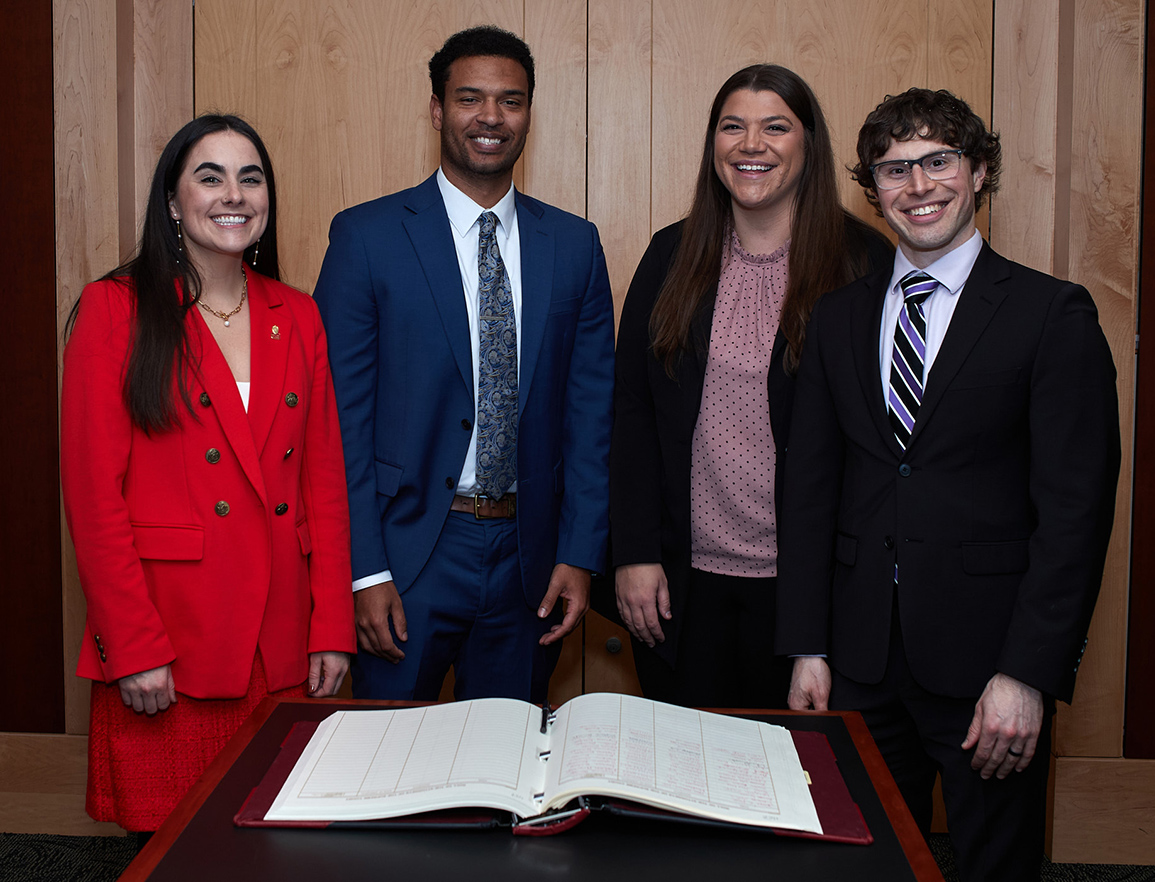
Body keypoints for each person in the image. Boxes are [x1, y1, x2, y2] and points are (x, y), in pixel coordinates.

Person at [777, 88, 1120, 881]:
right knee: (853, 864)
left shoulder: (1050, 315)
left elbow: (1075, 514)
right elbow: (809, 492)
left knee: (994, 866)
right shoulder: (836, 318)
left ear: (979, 171)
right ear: (872, 189)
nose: (918, 186)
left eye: (938, 161)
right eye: (895, 170)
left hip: (987, 666)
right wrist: (807, 644)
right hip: (856, 663)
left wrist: (1029, 673)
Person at [61, 114, 355, 833]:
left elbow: (325, 485)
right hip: (171, 645)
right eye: (210, 175)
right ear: (172, 200)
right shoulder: (116, 310)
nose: (234, 194)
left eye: (250, 178)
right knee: (176, 850)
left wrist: (333, 629)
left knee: (281, 845)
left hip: (283, 643)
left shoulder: (300, 315)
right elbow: (95, 500)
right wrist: (131, 647)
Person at [313, 26, 613, 703]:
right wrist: (363, 572)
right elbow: (340, 424)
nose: (490, 117)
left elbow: (591, 416)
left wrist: (578, 552)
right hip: (408, 552)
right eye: (470, 98)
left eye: (510, 101)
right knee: (385, 773)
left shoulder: (573, 245)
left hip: (529, 558)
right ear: (436, 109)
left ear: (529, 113)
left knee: (502, 779)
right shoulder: (366, 238)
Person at [609, 64, 891, 707]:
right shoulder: (669, 256)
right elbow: (631, 414)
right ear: (713, 145)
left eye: (775, 127)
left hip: (807, 589)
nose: (751, 144)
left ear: (808, 145)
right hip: (680, 583)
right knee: (680, 786)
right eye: (732, 126)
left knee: (791, 786)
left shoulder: (863, 265)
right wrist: (634, 551)